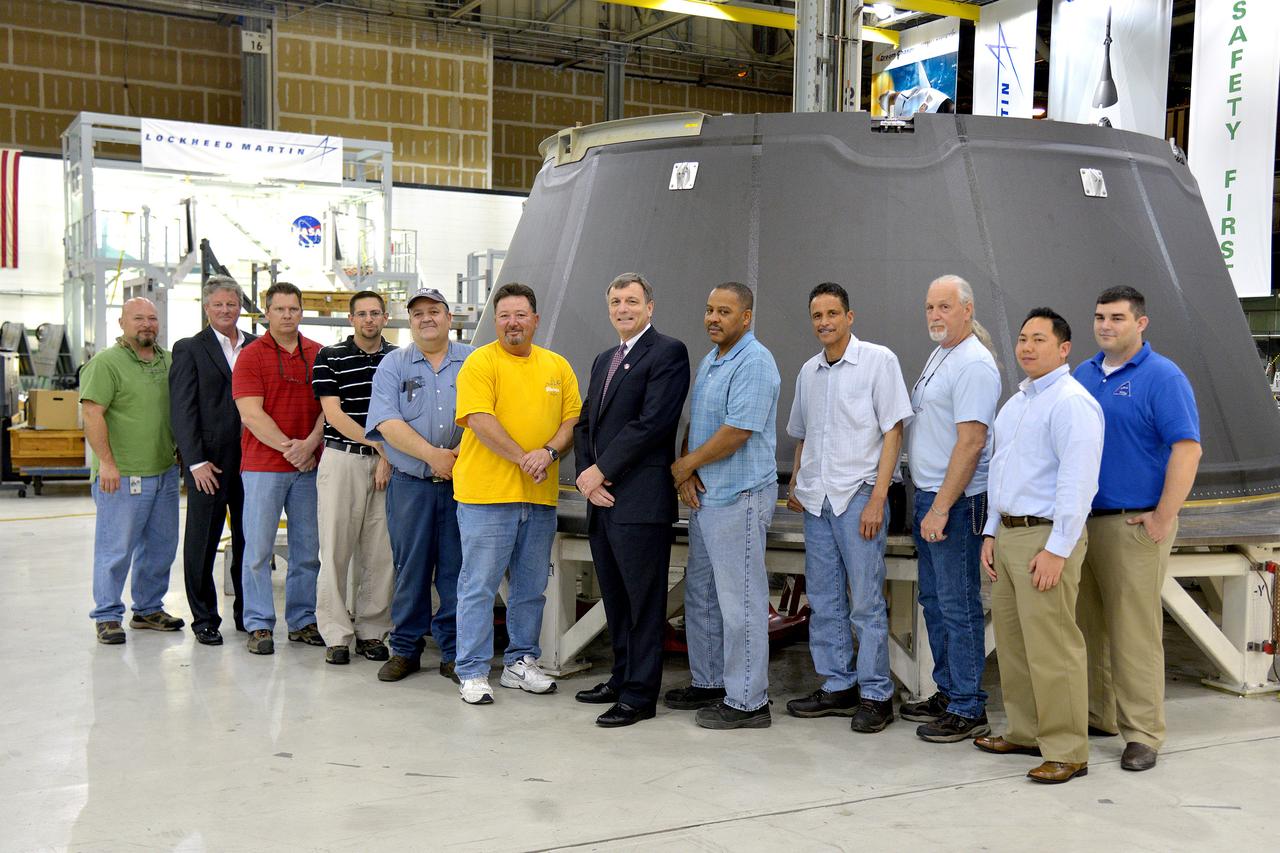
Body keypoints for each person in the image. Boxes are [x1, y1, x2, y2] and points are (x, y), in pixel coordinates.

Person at [1074, 286, 1201, 772]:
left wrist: (1164, 516)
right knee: (1088, 626)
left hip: (1133, 523)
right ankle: (1100, 714)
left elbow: (1187, 449)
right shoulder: (1083, 375)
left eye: (1117, 318)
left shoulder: (1163, 377)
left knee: (1134, 632)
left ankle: (1143, 734)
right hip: (1083, 522)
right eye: (1100, 317)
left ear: (1140, 323)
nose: (1106, 325)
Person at [977, 308, 1103, 784]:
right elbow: (1001, 473)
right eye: (1023, 338)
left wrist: (1058, 548)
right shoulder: (1016, 404)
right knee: (1013, 644)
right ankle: (1026, 732)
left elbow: (1078, 481)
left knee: (1053, 646)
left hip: (1046, 536)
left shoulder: (1071, 403)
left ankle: (1068, 750)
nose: (1027, 347)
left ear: (1064, 349)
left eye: (1039, 339)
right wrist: (991, 530)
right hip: (1010, 534)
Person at [784, 282, 913, 734]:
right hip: (817, 500)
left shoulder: (879, 361)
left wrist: (878, 498)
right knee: (823, 599)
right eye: (817, 315)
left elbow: (893, 432)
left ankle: (876, 694)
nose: (824, 322)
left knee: (866, 602)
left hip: (859, 495)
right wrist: (797, 482)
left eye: (832, 314)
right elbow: (803, 434)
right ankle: (839, 684)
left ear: (849, 317)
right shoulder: (809, 372)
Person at [451, 283, 581, 705]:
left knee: (530, 588)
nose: (512, 323)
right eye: (504, 316)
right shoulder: (480, 362)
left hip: (539, 499)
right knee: (479, 586)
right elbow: (479, 419)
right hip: (486, 497)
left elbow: (572, 422)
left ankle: (520, 661)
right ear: (496, 321)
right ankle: (472, 670)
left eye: (521, 315)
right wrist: (525, 458)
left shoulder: (557, 366)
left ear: (535, 320)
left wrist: (548, 452)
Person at [573, 273, 691, 727]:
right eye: (616, 302)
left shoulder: (667, 353)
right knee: (616, 599)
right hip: (600, 500)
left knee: (643, 604)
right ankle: (620, 678)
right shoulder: (605, 359)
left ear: (649, 307)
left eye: (632, 301)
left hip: (639, 501)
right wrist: (587, 477)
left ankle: (640, 695)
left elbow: (653, 423)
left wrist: (601, 471)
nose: (623, 309)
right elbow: (585, 423)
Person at [665, 281, 780, 730]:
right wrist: (688, 472)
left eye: (724, 311)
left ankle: (749, 702)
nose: (713, 318)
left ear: (746, 317)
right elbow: (699, 422)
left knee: (740, 602)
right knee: (703, 595)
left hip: (740, 497)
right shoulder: (712, 360)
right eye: (710, 309)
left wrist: (685, 465)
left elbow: (737, 431)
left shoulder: (755, 362)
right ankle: (711, 681)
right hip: (707, 497)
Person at [902, 275, 1001, 741]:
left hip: (956, 502)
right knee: (935, 601)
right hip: (931, 495)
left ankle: (968, 705)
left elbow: (972, 442)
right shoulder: (943, 353)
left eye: (945, 306)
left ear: (967, 309)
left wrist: (941, 507)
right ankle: (949, 691)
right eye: (930, 307)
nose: (935, 315)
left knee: (958, 604)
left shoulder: (974, 364)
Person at [365, 287, 473, 683]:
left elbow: (489, 414)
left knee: (457, 569)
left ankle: (454, 652)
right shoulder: (393, 365)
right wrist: (433, 456)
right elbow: (387, 422)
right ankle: (406, 649)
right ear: (410, 321)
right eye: (418, 313)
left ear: (449, 317)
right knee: (410, 568)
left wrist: (457, 455)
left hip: (463, 486)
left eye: (434, 311)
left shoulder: (474, 361)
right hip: (411, 484)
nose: (426, 318)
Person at [81, 297, 183, 644]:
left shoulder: (169, 361)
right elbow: (92, 414)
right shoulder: (106, 363)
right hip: (122, 475)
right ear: (122, 323)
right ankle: (108, 615)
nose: (146, 324)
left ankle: (148, 609)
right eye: (138, 318)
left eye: (152, 318)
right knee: (116, 549)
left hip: (164, 471)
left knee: (161, 546)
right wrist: (107, 463)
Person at [232, 281, 326, 655]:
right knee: (257, 549)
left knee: (307, 550)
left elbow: (328, 409)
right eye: (280, 309)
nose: (287, 315)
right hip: (263, 467)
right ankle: (258, 624)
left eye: (293, 309)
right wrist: (293, 449)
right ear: (267, 312)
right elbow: (251, 414)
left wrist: (311, 444)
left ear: (301, 312)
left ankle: (302, 620)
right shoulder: (251, 356)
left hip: (309, 467)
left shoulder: (319, 354)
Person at [312, 291, 397, 665]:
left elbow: (401, 412)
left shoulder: (398, 359)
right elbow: (334, 414)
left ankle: (372, 631)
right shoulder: (329, 357)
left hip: (389, 463)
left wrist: (388, 457)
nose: (369, 320)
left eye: (375, 313)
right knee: (335, 549)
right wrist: (381, 447)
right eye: (361, 314)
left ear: (385, 318)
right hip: (343, 459)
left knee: (381, 552)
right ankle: (336, 635)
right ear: (351, 319)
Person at [170, 277, 256, 645]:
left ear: (240, 307)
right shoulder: (190, 349)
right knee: (202, 543)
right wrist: (195, 462)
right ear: (207, 308)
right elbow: (182, 409)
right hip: (210, 464)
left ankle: (248, 614)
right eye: (218, 304)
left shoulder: (256, 345)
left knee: (250, 541)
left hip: (253, 461)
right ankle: (204, 618)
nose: (225, 310)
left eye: (231, 304)